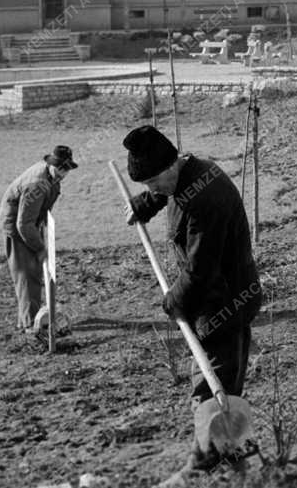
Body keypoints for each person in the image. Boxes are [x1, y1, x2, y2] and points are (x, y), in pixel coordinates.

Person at [122, 125, 260, 480]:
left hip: (225, 302)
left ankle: (208, 464)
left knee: (212, 382)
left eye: (152, 183)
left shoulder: (204, 199)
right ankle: (227, 455)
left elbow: (200, 271)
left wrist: (173, 303)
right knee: (217, 380)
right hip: (211, 300)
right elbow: (170, 190)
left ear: (170, 167)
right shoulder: (188, 172)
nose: (153, 190)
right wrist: (146, 204)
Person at [0, 145, 77, 332]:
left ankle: (35, 316)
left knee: (35, 272)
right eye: (60, 169)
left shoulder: (51, 176)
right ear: (51, 164)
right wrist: (41, 248)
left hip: (31, 224)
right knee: (27, 274)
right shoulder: (36, 185)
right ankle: (29, 324)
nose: (63, 174)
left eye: (66, 170)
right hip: (18, 229)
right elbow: (23, 224)